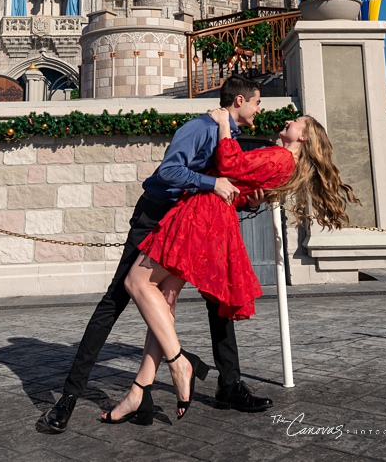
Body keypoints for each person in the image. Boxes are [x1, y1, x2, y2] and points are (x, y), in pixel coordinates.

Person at [38, 75, 272, 433]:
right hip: (156, 217)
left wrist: (242, 199)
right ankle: (69, 396)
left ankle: (224, 385)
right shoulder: (200, 127)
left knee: (214, 298)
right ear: (239, 100)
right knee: (116, 299)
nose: (260, 109)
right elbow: (169, 170)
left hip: (191, 223)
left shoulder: (231, 137)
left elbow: (222, 186)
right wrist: (213, 183)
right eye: (257, 101)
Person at [100, 108, 356, 424]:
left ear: (303, 136)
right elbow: (236, 189)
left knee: (136, 283)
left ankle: (179, 362)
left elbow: (229, 164)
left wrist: (222, 123)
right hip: (211, 217)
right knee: (164, 301)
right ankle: (138, 391)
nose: (288, 121)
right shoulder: (283, 163)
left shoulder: (280, 157)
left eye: (297, 122)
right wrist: (248, 199)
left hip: (199, 216)